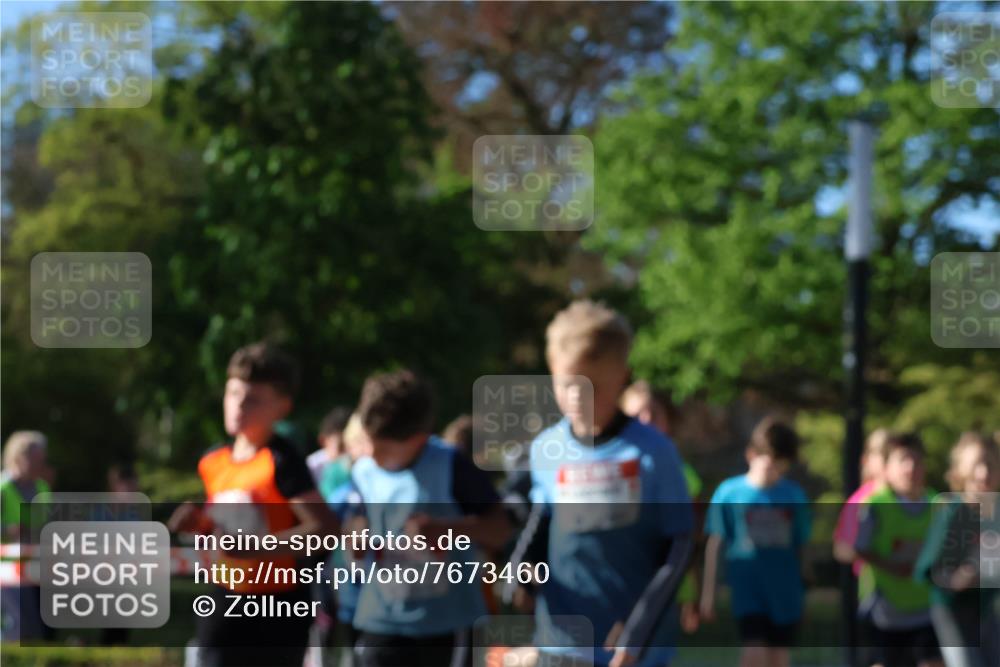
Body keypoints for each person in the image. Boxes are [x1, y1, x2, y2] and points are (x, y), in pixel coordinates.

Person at [511, 300, 694, 667]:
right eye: (567, 384)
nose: (578, 397)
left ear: (622, 377)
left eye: (592, 385)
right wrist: (520, 574)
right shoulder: (547, 448)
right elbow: (542, 521)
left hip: (629, 649)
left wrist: (636, 635)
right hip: (560, 641)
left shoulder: (653, 453)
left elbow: (679, 548)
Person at [168, 342, 338, 667]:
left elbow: (325, 531)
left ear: (282, 407)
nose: (239, 406)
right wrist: (198, 523)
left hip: (275, 610)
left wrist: (254, 549)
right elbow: (223, 530)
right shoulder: (213, 460)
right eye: (233, 394)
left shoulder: (283, 461)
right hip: (223, 599)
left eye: (253, 399)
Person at [349, 369, 512, 667]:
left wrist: (446, 528)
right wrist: (356, 537)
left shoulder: (451, 464)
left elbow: (500, 530)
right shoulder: (364, 471)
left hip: (446, 624)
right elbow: (361, 522)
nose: (371, 453)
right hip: (383, 617)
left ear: (419, 438)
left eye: (383, 446)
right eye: (368, 440)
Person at [700, 417, 812, 667]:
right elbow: (715, 542)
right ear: (752, 454)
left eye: (781, 464)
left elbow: (801, 546)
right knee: (754, 653)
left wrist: (804, 593)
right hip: (748, 588)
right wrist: (708, 593)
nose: (774, 469)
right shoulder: (729, 493)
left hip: (784, 591)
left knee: (778, 658)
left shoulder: (794, 495)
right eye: (770, 460)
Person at [854, 432, 943, 667]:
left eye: (916, 460)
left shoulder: (937, 504)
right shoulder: (875, 505)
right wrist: (892, 566)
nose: (910, 467)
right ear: (887, 468)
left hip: (926, 609)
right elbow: (859, 548)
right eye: (902, 459)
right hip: (884, 611)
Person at [621, 380, 703, 634]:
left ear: (668, 419)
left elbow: (691, 539)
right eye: (636, 415)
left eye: (653, 413)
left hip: (665, 591)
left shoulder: (683, 475)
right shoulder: (610, 470)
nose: (645, 420)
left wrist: (692, 594)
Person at [915, 433, 1000, 667]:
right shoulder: (953, 513)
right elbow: (929, 570)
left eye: (991, 465)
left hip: (984, 610)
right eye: (976, 466)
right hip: (952, 611)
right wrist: (956, 579)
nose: (983, 473)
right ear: (961, 471)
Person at [833, 428, 890, 667]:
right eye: (883, 455)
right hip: (874, 594)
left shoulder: (915, 500)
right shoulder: (862, 500)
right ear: (868, 461)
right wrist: (875, 558)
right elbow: (842, 548)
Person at [0, 431, 51, 642]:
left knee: (37, 629)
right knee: (15, 630)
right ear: (19, 458)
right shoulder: (3, 488)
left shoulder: (42, 487)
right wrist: (7, 530)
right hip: (7, 571)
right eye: (36, 459)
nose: (40, 465)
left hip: (36, 567)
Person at [309, 406, 353, 497]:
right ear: (323, 441)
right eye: (341, 446)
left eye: (351, 447)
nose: (347, 453)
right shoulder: (311, 468)